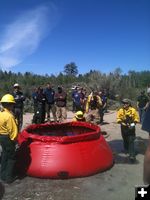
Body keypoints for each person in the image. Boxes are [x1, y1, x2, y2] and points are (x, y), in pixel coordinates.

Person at [0, 94, 18, 184]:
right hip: (8, 138)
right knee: (11, 157)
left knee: (4, 155)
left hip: (1, 137)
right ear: (9, 104)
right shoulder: (9, 116)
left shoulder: (1, 114)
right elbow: (13, 130)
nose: (13, 106)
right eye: (12, 104)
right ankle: (9, 177)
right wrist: (15, 140)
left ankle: (2, 175)